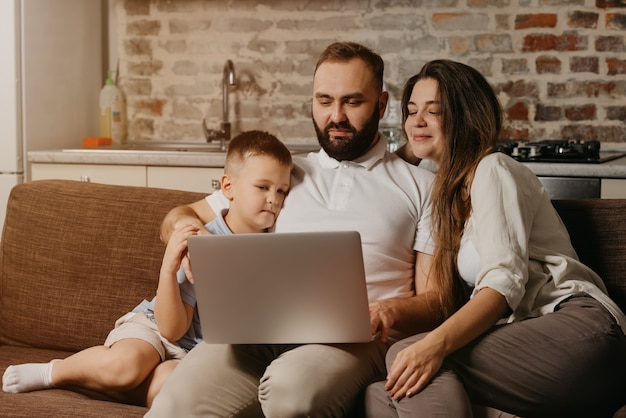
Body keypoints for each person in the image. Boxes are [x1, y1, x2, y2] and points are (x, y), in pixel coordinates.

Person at [146, 42, 439, 417]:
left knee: (291, 392)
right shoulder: (282, 174)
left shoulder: (419, 187)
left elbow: (436, 301)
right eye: (324, 101)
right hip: (260, 332)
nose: (336, 116)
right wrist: (189, 235)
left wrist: (387, 310)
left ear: (381, 106)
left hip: (355, 342)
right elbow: (177, 215)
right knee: (175, 401)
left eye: (352, 102)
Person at [365, 59, 626, 417]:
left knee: (405, 357)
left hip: (576, 329)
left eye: (434, 111)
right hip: (526, 339)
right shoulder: (449, 191)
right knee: (381, 395)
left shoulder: (493, 169)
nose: (417, 120)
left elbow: (504, 285)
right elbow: (389, 177)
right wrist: (418, 140)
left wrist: (434, 346)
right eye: (411, 111)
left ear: (466, 117)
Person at [2, 130, 292, 407]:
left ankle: (104, 384)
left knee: (169, 390)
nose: (274, 199)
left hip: (192, 351)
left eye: (282, 190)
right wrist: (168, 269)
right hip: (157, 325)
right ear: (228, 187)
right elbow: (172, 327)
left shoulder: (272, 248)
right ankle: (56, 372)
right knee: (124, 365)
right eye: (263, 187)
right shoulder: (204, 237)